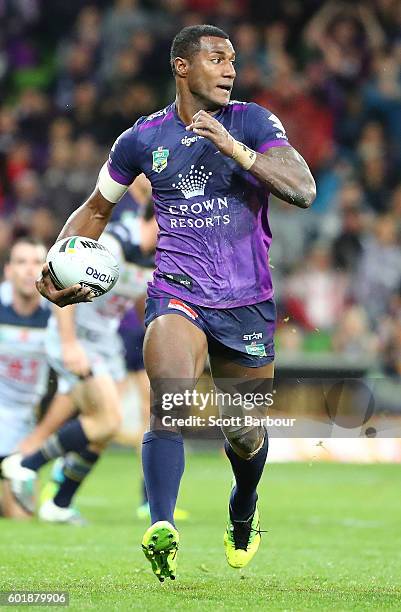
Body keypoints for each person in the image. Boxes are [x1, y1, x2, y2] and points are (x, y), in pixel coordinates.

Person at [11, 25, 315, 580]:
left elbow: (302, 187)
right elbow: (96, 210)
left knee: (245, 435)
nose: (230, 69)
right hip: (178, 291)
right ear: (182, 66)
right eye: (217, 59)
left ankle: (243, 508)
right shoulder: (142, 139)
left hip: (247, 302)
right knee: (168, 400)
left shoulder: (251, 122)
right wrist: (54, 264)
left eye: (233, 60)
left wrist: (233, 149)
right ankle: (162, 525)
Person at [2, 217, 157, 522]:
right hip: (79, 339)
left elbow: (139, 296)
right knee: (108, 420)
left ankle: (59, 502)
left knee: (99, 432)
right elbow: (67, 279)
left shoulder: (158, 255)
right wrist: (70, 343)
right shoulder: (113, 244)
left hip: (106, 342)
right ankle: (26, 465)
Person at [0, 238, 50, 518]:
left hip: (24, 431)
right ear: (8, 270)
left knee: (21, 518)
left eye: (36, 263)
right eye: (21, 262)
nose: (29, 270)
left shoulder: (57, 314)